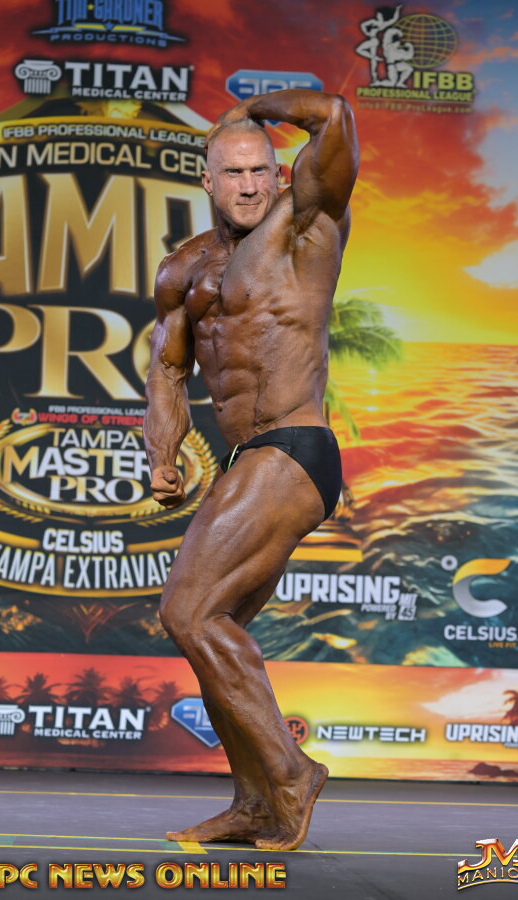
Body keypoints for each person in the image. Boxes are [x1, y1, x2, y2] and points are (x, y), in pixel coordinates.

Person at [143, 88, 358, 851]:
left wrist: (255, 107)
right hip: (247, 459)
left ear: (278, 173)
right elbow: (169, 368)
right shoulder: (185, 268)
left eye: (260, 169)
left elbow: (334, 117)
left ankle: (292, 773)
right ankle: (255, 804)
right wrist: (162, 455)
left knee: (188, 612)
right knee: (214, 629)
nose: (248, 184)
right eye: (233, 172)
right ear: (208, 180)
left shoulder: (307, 225)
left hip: (294, 447)